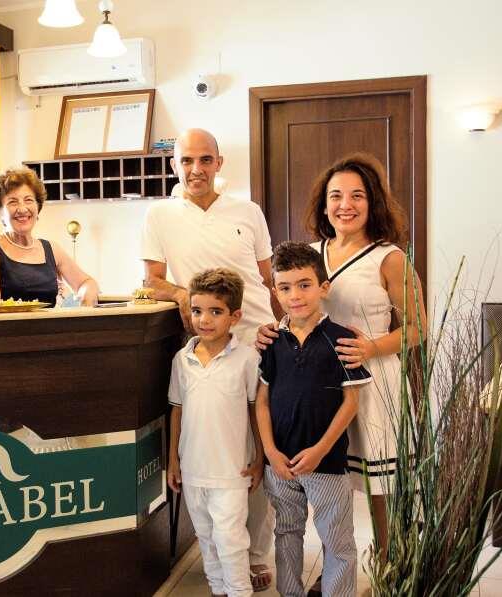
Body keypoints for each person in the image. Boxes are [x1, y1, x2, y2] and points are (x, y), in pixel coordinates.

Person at [256, 153, 427, 578]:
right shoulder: (310, 254)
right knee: (329, 480)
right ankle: (335, 572)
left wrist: (371, 347)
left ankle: (390, 571)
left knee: (380, 487)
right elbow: (295, 309)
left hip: (374, 382)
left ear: (373, 202)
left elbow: (418, 328)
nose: (345, 205)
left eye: (357, 196)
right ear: (324, 203)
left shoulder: (389, 258)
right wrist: (270, 331)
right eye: (336, 196)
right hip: (317, 385)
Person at [142, 127, 277, 590]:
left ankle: (253, 556)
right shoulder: (159, 215)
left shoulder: (248, 211)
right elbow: (152, 281)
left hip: (258, 340)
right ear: (174, 165)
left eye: (205, 160)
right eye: (186, 160)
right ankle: (223, 558)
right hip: (208, 344)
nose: (195, 169)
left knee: (257, 446)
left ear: (219, 163)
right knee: (222, 450)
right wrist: (187, 297)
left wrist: (289, 331)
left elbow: (268, 277)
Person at [256, 241, 370, 597]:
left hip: (327, 462)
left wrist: (320, 449)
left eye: (304, 285)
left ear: (323, 287)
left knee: (337, 540)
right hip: (280, 463)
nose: (295, 295)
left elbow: (351, 402)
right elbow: (262, 402)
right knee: (287, 533)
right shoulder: (272, 341)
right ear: (275, 292)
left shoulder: (342, 339)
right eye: (285, 287)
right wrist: (270, 453)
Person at [167, 268, 263, 597]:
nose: (204, 320)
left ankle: (239, 591)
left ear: (235, 317)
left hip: (232, 470)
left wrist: (259, 459)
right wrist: (174, 461)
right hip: (193, 470)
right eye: (197, 311)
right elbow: (177, 411)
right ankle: (218, 589)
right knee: (206, 538)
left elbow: (255, 412)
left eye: (215, 312)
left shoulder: (248, 359)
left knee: (230, 539)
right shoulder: (181, 360)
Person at [0, 167, 98, 307]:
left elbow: (87, 283)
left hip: (52, 322)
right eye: (13, 202)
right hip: (9, 322)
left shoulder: (51, 249)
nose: (22, 209)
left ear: (38, 206)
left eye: (28, 200)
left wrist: (86, 301)